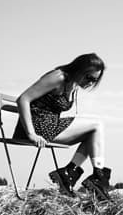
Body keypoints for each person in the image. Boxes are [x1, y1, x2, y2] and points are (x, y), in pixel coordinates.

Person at [14, 53, 113, 200]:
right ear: (79, 69)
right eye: (89, 77)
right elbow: (23, 99)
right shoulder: (58, 77)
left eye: (94, 80)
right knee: (96, 125)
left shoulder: (72, 84)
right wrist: (31, 133)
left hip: (49, 125)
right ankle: (95, 178)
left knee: (92, 134)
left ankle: (71, 173)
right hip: (37, 127)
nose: (90, 83)